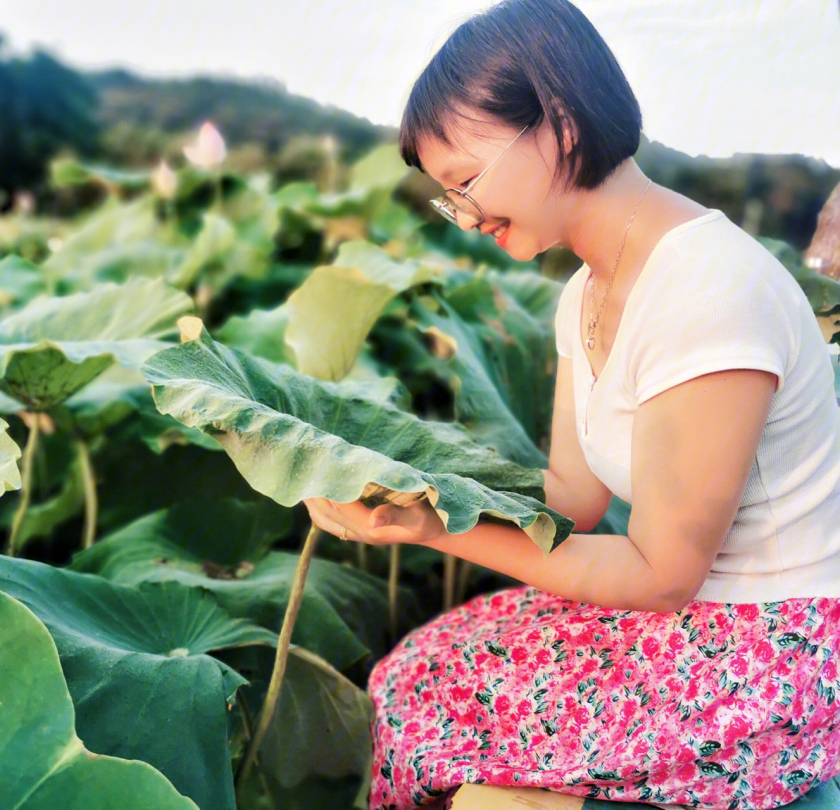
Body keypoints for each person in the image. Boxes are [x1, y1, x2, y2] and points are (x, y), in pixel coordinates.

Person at [301, 1, 840, 809]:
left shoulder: (708, 288)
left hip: (771, 649)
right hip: (696, 624)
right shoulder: (585, 292)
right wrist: (410, 481)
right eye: (449, 197)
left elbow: (661, 575)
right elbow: (573, 501)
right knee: (412, 669)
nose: (466, 217)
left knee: (428, 706)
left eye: (467, 182)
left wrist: (437, 527)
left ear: (558, 124)